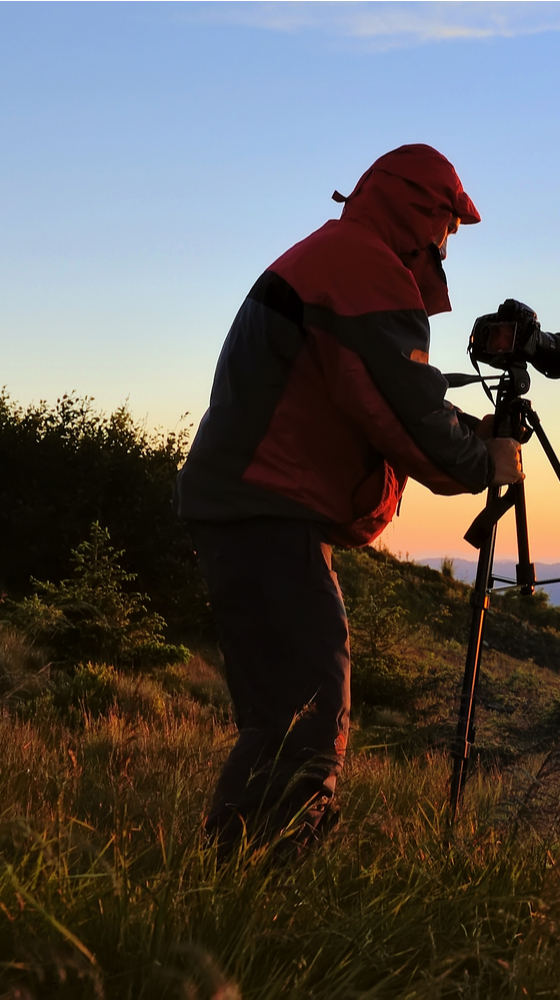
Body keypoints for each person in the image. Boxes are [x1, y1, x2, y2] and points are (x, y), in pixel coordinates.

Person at [175, 144, 522, 856]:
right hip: (264, 507)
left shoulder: (334, 252)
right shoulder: (363, 269)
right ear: (420, 210)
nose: (447, 242)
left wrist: (464, 432)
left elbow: (376, 393)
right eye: (447, 225)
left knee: (281, 709)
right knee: (307, 709)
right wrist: (483, 459)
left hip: (250, 503)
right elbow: (403, 413)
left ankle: (229, 875)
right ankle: (261, 881)